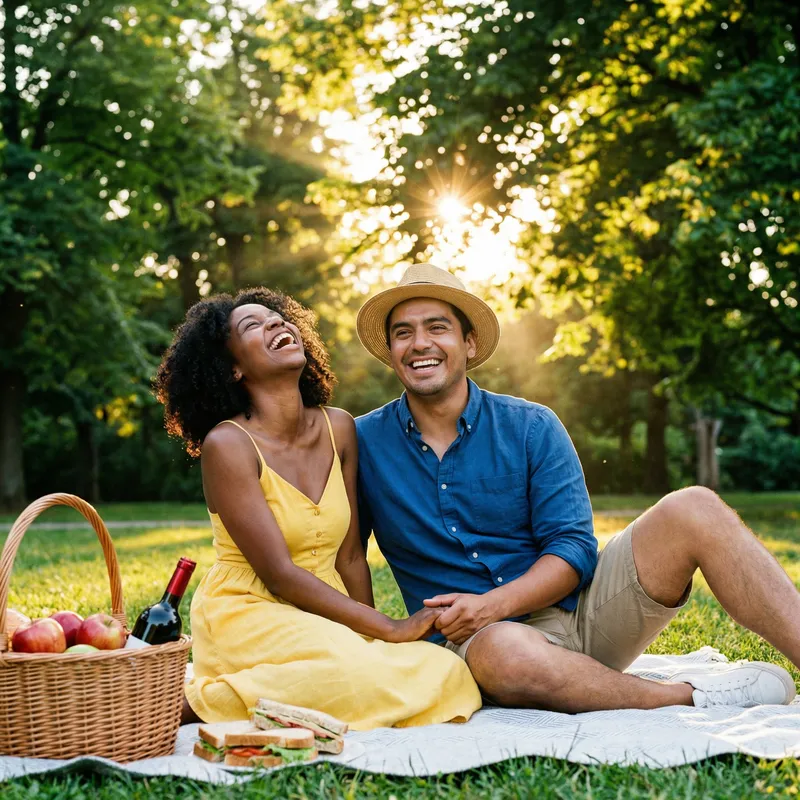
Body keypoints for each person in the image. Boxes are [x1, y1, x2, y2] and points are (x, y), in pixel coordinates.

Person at [355, 262, 799, 711]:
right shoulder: (362, 443)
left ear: (468, 343)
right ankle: (687, 698)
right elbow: (343, 554)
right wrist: (373, 646)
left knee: (696, 506)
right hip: (478, 645)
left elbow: (573, 548)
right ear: (391, 350)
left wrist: (492, 603)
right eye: (403, 333)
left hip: (584, 614)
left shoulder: (531, 426)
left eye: (437, 327)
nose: (420, 344)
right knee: (503, 651)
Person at [154, 287, 481, 728]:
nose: (276, 324)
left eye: (278, 318)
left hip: (328, 612)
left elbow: (349, 557)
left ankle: (293, 687)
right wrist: (389, 628)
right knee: (359, 671)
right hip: (248, 609)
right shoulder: (228, 445)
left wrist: (372, 638)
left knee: (448, 671)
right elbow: (280, 575)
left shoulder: (339, 427)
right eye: (253, 325)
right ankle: (198, 705)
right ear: (232, 368)